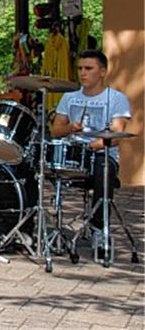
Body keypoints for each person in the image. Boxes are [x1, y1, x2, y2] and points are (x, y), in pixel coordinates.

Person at [49, 49, 131, 259]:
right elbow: (56, 130)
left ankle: (98, 228)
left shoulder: (116, 99)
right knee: (34, 163)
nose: (83, 73)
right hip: (72, 154)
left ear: (102, 71)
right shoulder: (69, 97)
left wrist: (92, 145)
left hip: (102, 155)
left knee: (104, 171)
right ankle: (36, 224)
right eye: (80, 69)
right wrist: (71, 128)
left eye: (89, 69)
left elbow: (116, 134)